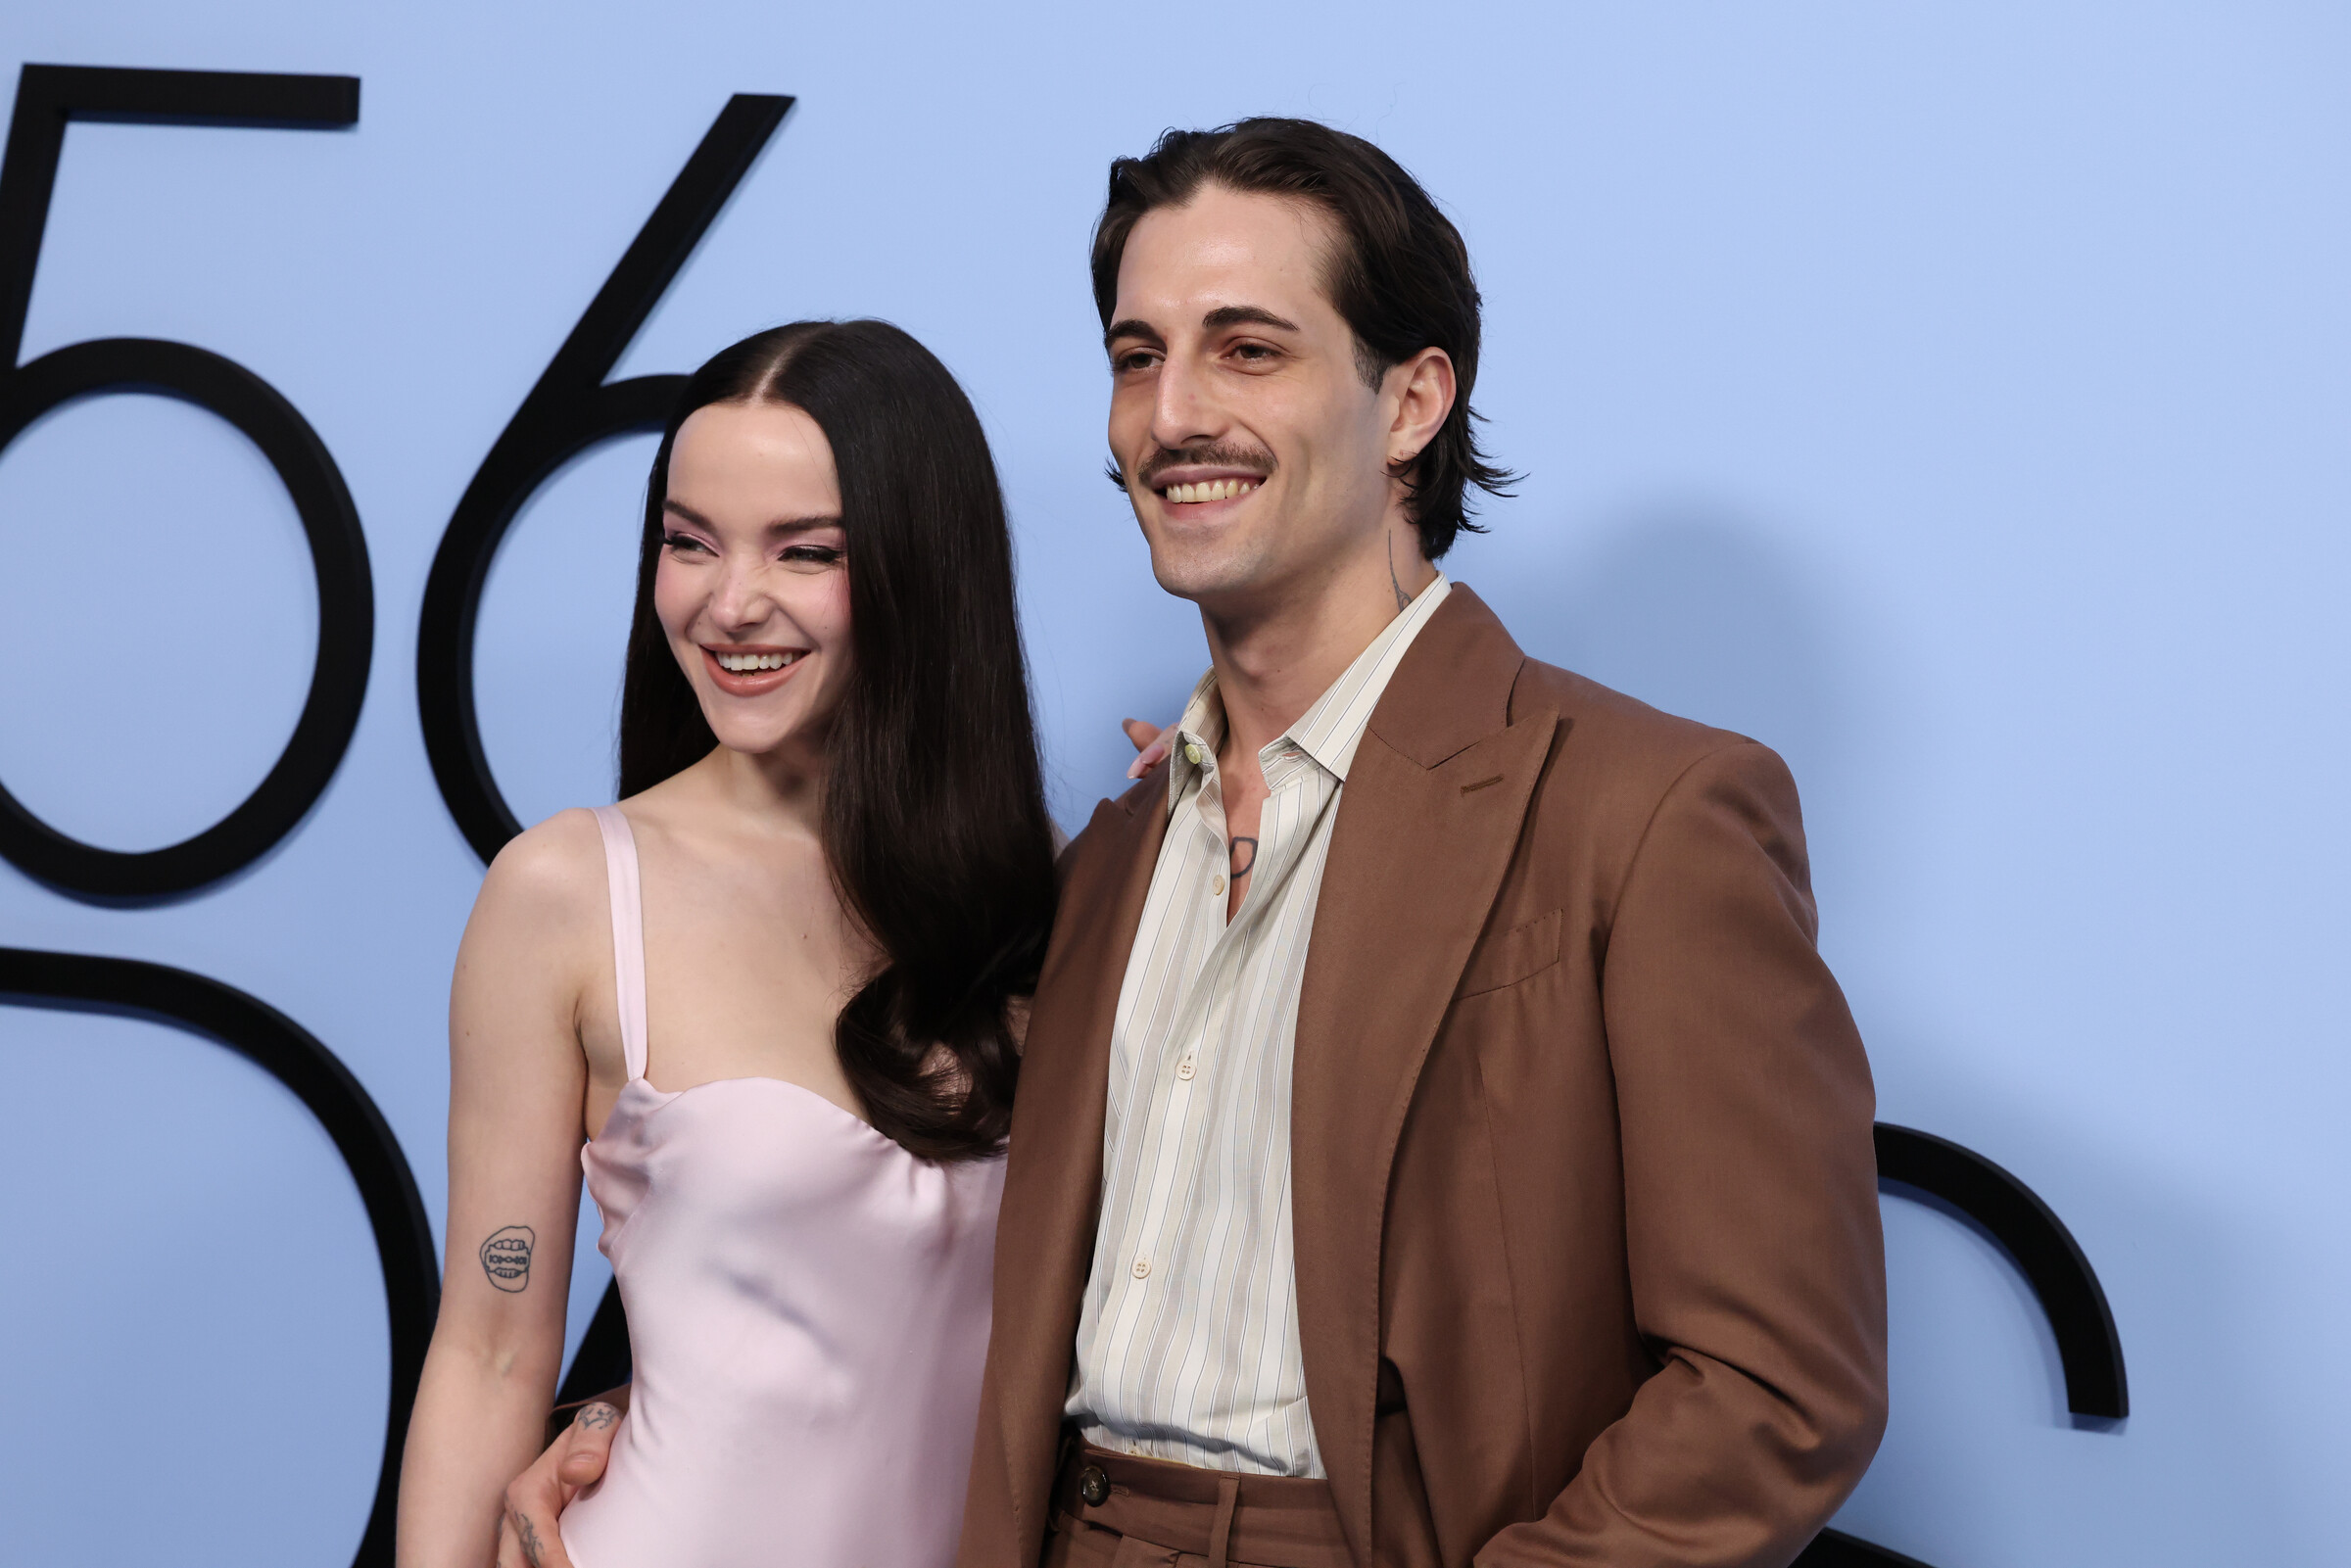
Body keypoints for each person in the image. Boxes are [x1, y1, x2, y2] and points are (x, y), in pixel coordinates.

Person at [526, 119, 1890, 1568]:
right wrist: (644, 1410)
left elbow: (1778, 1385)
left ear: (1413, 400)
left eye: (1247, 350)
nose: (1172, 412)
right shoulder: (1105, 860)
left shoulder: (1648, 811)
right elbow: (893, 1250)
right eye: (1137, 355)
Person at [396, 319, 1058, 1568]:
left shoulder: (1052, 896)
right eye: (689, 541)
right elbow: (487, 1347)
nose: (729, 602)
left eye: (805, 551)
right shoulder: (566, 891)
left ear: (923, 570)